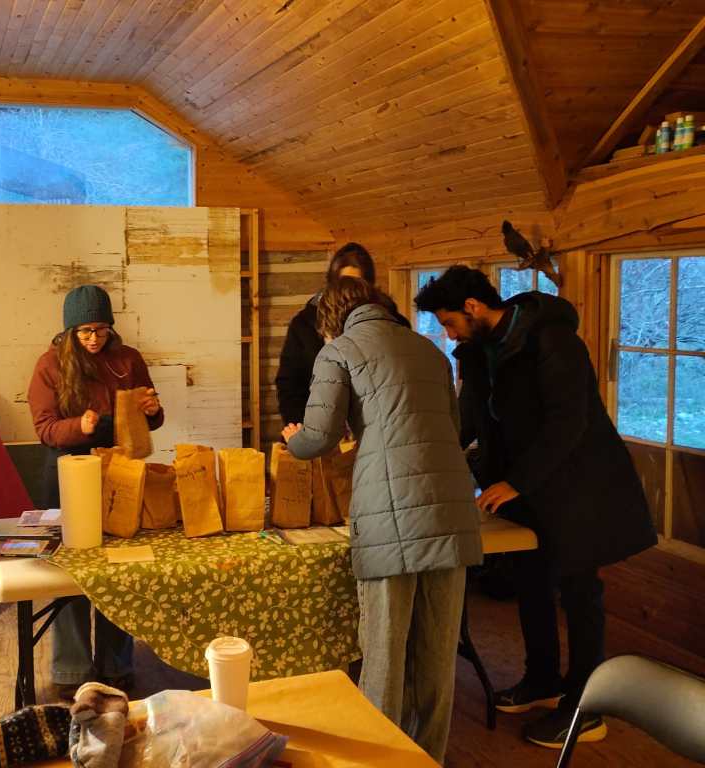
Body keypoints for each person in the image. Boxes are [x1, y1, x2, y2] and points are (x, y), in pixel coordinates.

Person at [414, 266, 657, 749]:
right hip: (526, 490)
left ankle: (586, 708)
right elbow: (471, 420)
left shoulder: (553, 340)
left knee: (580, 593)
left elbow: (569, 423)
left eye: (449, 323)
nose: (448, 334)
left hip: (581, 484)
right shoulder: (480, 352)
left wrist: (515, 481)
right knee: (531, 583)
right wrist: (432, 458)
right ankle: (542, 679)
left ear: (473, 307)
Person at [283, 277, 481, 765]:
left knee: (384, 656)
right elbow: (451, 430)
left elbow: (319, 438)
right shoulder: (430, 350)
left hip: (389, 516)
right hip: (453, 511)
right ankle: (426, 759)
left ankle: (377, 760)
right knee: (436, 658)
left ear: (332, 318)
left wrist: (294, 438)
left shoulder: (340, 351)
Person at [27, 284, 163, 699]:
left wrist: (154, 410)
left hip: (118, 469)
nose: (93, 339)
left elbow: (151, 421)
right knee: (72, 573)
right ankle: (70, 669)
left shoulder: (128, 359)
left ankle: (116, 664)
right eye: (85, 331)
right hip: (67, 471)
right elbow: (45, 427)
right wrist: (79, 428)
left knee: (117, 572)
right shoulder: (50, 364)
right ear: (69, 330)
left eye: (102, 330)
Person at [275, 242, 408, 428]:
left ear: (368, 287)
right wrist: (302, 428)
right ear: (331, 285)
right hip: (318, 426)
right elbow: (290, 384)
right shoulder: (304, 324)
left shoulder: (393, 324)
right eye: (342, 285)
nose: (348, 295)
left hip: (377, 427)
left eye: (355, 287)